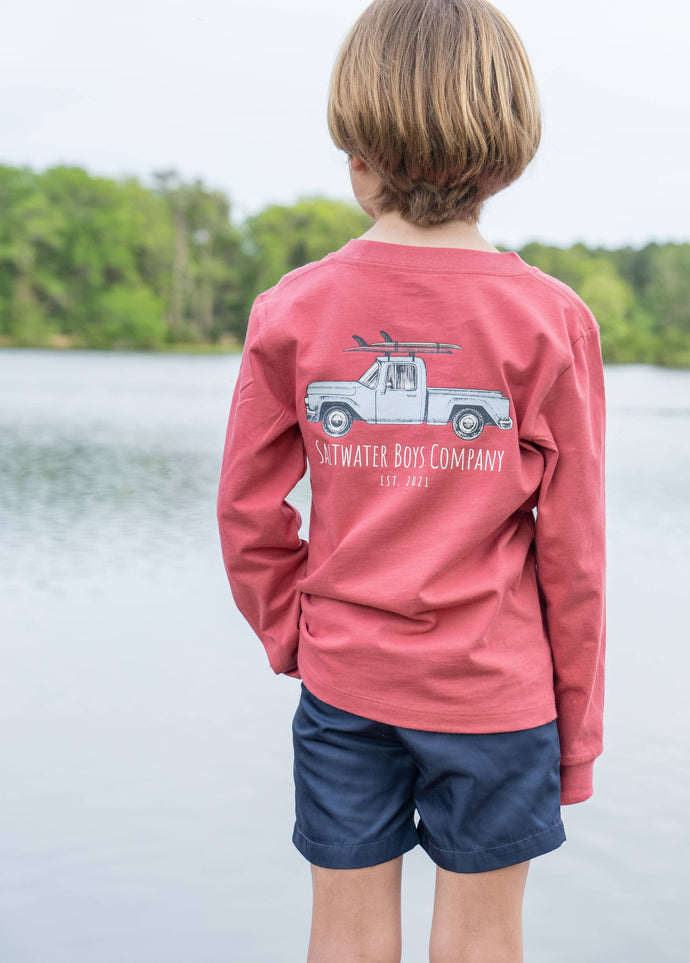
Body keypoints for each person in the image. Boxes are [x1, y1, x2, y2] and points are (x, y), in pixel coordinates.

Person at [214, 1, 605, 960]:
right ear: (509, 161)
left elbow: (247, 512)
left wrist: (293, 635)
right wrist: (577, 729)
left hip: (347, 681)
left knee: (343, 942)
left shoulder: (294, 311)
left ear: (356, 155)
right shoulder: (550, 320)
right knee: (481, 946)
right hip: (497, 697)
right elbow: (575, 553)